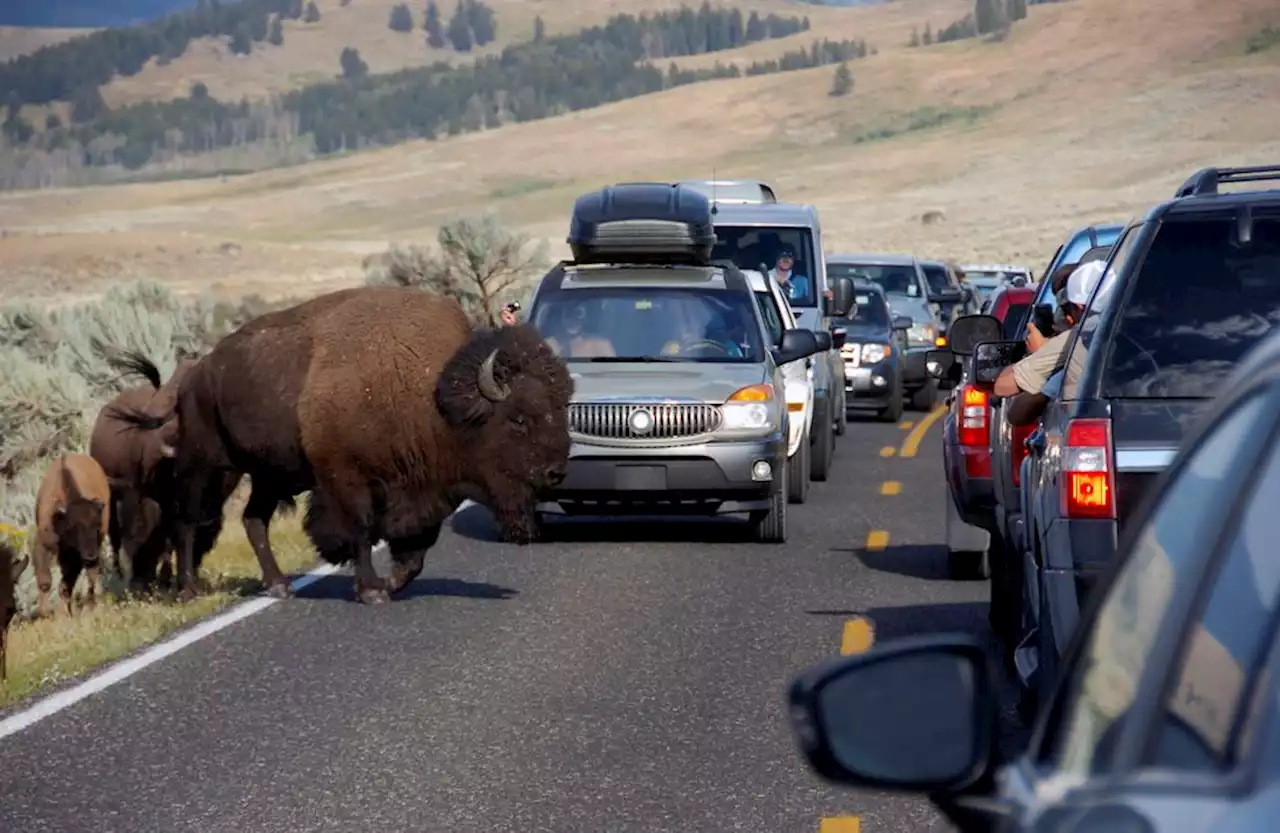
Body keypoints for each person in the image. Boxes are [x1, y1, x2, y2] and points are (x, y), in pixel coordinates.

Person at [994, 260, 1107, 399]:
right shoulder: (1134, 327)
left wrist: (1042, 352)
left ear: (1079, 306)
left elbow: (1003, 387)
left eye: (1067, 308)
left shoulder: (1077, 337)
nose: (1067, 318)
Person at [545, 302, 615, 358]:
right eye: (568, 314)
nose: (573, 319)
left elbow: (612, 372)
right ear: (560, 317)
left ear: (586, 318)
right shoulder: (549, 346)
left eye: (577, 313)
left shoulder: (600, 345)